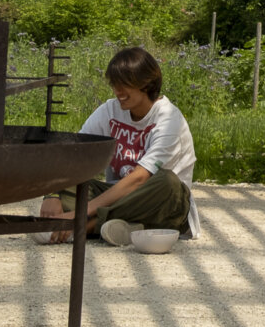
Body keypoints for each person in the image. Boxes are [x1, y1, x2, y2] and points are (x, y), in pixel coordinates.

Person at [38, 46, 201, 246]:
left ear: (146, 83)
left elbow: (140, 178)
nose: (117, 91)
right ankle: (129, 228)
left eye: (124, 84)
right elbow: (74, 153)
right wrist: (52, 193)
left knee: (168, 182)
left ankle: (86, 226)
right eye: (114, 84)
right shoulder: (109, 110)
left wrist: (80, 213)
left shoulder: (169, 119)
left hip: (162, 202)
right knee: (67, 186)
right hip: (118, 195)